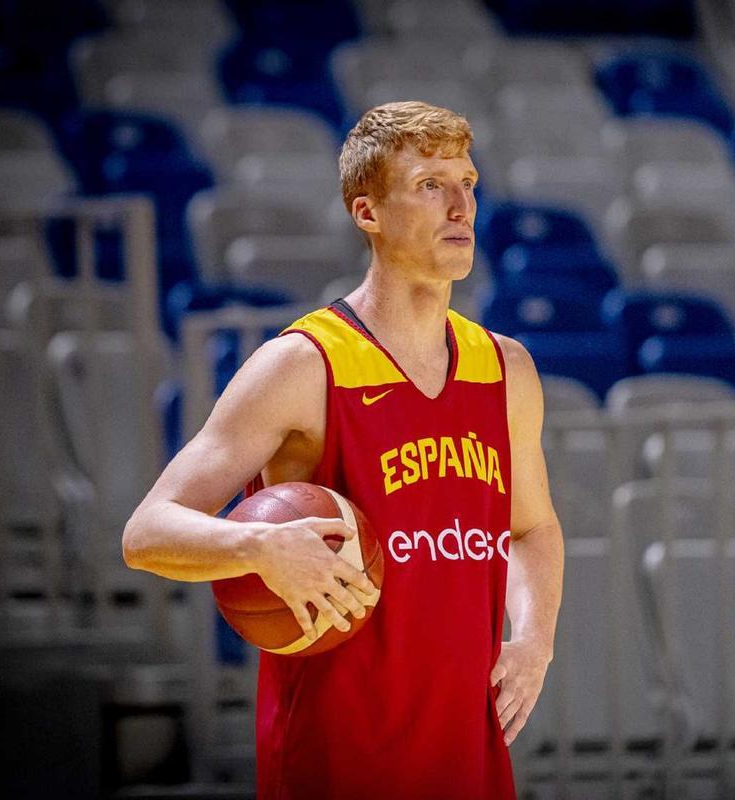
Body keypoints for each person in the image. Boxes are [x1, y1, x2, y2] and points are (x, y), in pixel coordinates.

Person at [122, 101, 564, 799]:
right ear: (368, 213)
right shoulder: (301, 365)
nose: (461, 206)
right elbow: (147, 532)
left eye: (468, 183)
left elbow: (533, 527)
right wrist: (257, 550)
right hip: (336, 755)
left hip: (466, 752)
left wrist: (534, 638)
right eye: (430, 186)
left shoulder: (505, 369)